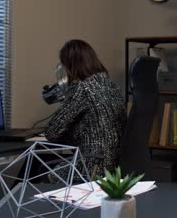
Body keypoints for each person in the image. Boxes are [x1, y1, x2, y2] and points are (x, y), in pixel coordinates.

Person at [45, 39, 125, 182]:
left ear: (69, 65)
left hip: (92, 167)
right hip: (114, 165)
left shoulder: (82, 87)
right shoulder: (111, 85)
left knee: (42, 168)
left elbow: (52, 132)